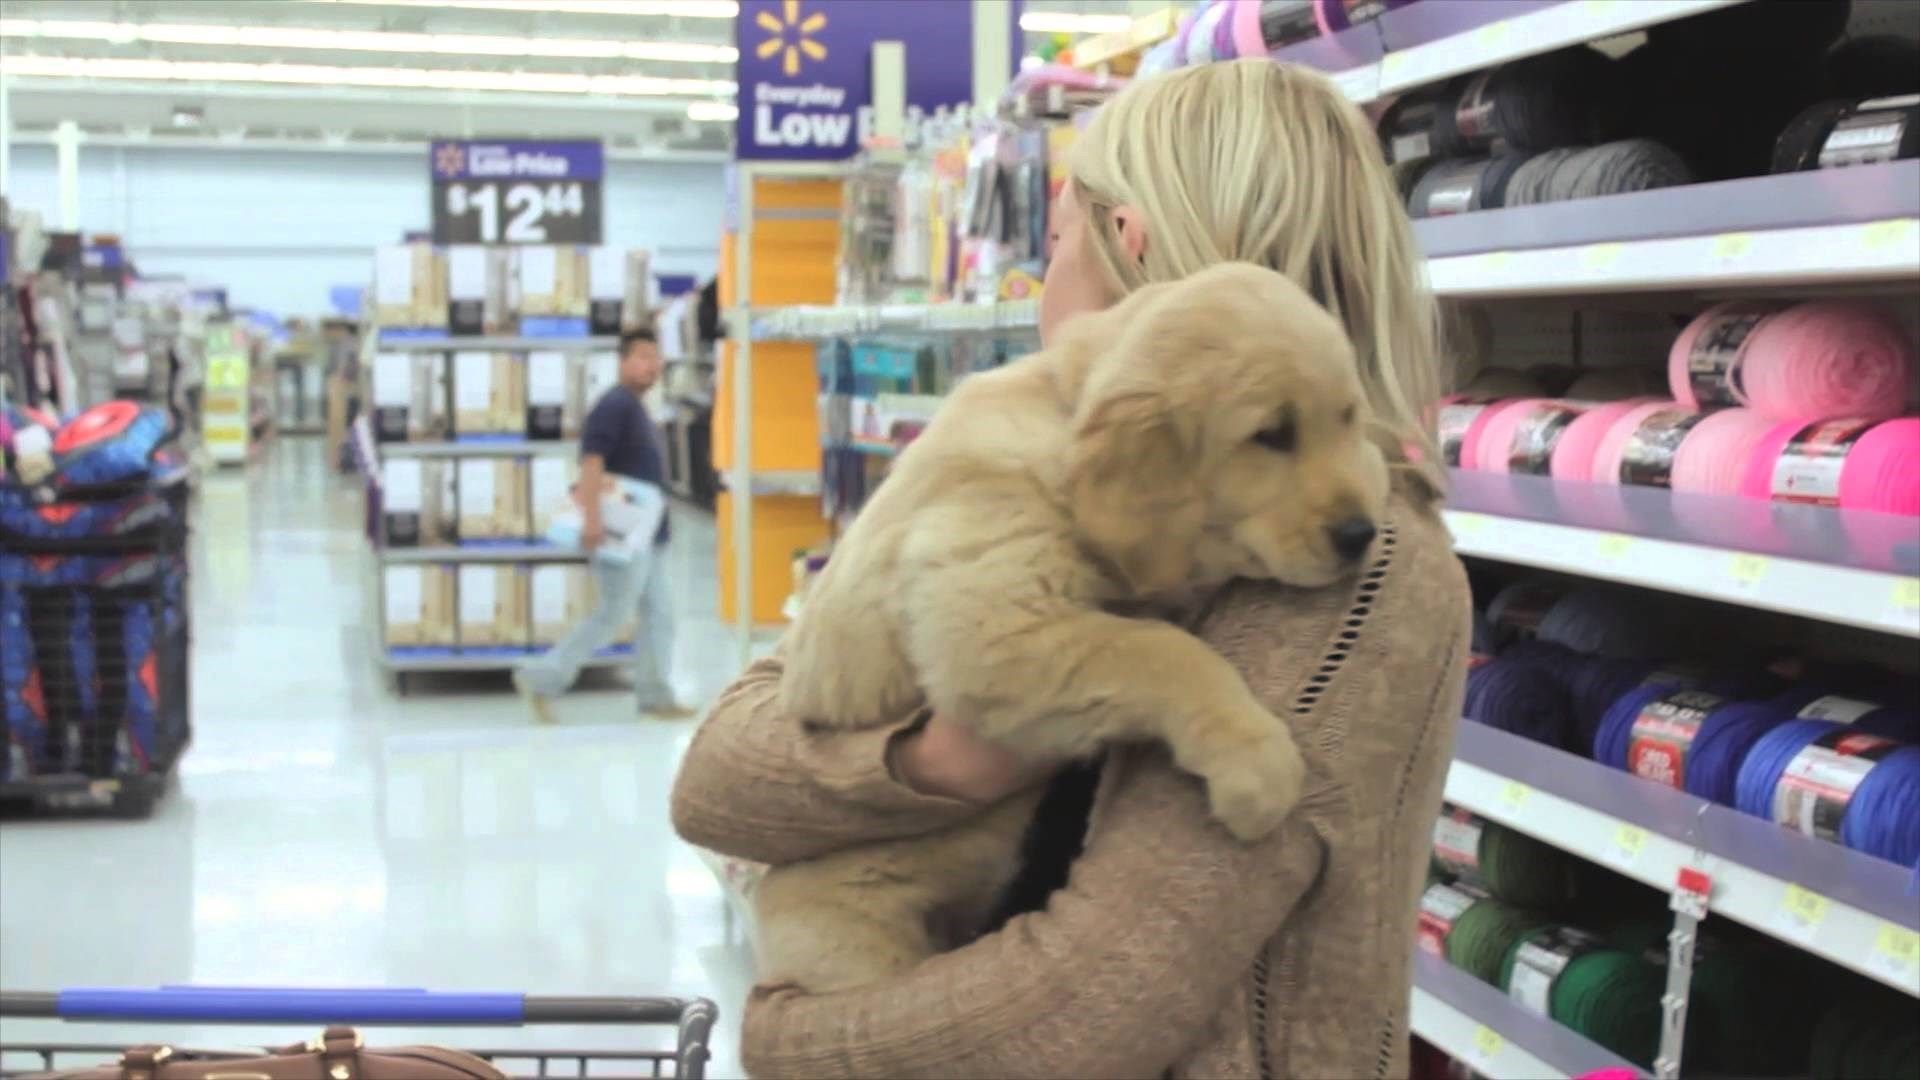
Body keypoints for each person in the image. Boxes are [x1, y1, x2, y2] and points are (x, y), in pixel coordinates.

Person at [672, 58, 1470, 1078]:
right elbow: (716, 777)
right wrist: (933, 760)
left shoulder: (1350, 575)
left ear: (1122, 236)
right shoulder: (1052, 450)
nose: (1044, 277)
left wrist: (792, 1040)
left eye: (1053, 241)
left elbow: (1078, 1011)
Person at [516, 328, 691, 722]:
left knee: (660, 613)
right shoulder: (614, 405)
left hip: (647, 534)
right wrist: (593, 520)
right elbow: (591, 463)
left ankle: (655, 695)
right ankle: (541, 678)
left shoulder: (636, 406)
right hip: (622, 534)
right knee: (612, 614)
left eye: (656, 356)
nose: (652, 365)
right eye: (643, 356)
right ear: (623, 361)